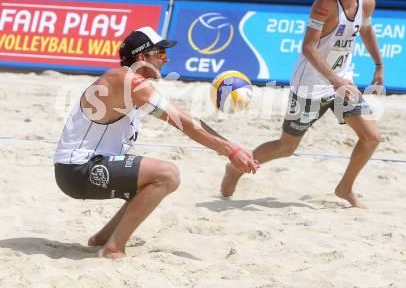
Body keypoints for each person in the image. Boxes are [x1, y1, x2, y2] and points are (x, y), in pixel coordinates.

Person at [53, 26, 259, 259]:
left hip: (83, 167)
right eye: (160, 54)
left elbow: (188, 120)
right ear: (142, 58)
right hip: (77, 171)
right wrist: (232, 151)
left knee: (147, 180)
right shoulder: (126, 81)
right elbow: (185, 123)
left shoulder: (126, 82)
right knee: (167, 175)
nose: (166, 59)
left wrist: (232, 148)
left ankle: (102, 238)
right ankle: (113, 248)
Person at [221, 0, 384, 209]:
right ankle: (236, 166)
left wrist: (378, 65)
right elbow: (307, 47)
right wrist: (334, 79)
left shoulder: (367, 2)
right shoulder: (324, 4)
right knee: (286, 147)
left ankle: (344, 188)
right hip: (311, 85)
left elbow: (365, 30)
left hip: (341, 83)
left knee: (372, 137)